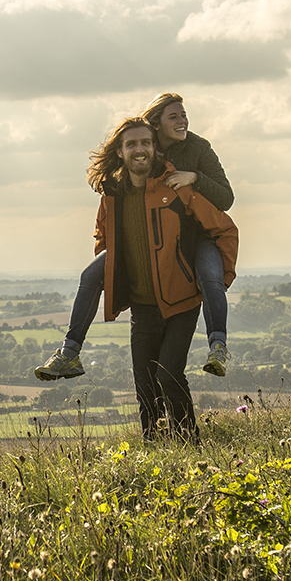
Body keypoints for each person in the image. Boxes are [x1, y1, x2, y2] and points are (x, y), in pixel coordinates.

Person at [53, 114, 238, 441]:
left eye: (146, 143)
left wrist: (214, 281)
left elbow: (223, 228)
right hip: (143, 306)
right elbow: (103, 236)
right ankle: (154, 444)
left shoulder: (176, 188)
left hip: (181, 302)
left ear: (156, 149)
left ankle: (188, 444)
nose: (140, 149)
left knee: (168, 375)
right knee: (144, 382)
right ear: (121, 152)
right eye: (132, 144)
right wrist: (119, 271)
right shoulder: (111, 194)